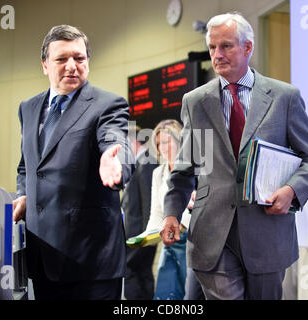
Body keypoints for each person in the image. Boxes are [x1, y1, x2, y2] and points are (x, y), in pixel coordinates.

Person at [160, 12, 308, 300]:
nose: (217, 54)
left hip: (267, 230)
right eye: (212, 47)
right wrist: (171, 213)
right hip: (212, 235)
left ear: (248, 47)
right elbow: (184, 169)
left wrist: (291, 191)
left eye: (226, 46)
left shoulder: (284, 97)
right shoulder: (195, 102)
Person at [12, 25, 135, 300]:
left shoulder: (107, 104)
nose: (72, 66)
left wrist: (114, 161)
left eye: (79, 58)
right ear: (45, 65)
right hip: (43, 257)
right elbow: (28, 165)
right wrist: (23, 193)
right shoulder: (28, 108)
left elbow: (115, 141)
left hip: (91, 262)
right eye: (61, 59)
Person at [145, 119, 191, 300]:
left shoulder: (194, 168)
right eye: (158, 143)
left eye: (166, 142)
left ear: (179, 140)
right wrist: (147, 236)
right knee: (165, 295)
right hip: (169, 241)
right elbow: (156, 211)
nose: (162, 147)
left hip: (191, 241)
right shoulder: (158, 173)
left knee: (190, 294)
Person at [121, 124, 158, 299]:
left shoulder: (146, 163)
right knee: (142, 277)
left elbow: (149, 202)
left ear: (132, 141)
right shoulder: (139, 163)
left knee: (132, 275)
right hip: (137, 235)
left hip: (140, 237)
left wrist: (149, 236)